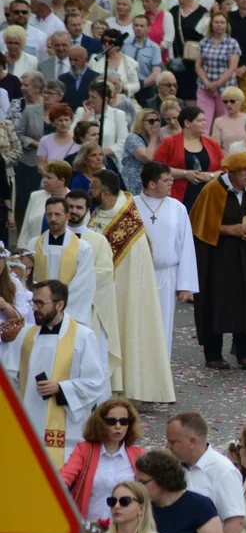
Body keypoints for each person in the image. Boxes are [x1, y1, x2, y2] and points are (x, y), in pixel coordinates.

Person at [88, 170, 176, 404]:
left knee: (128, 329)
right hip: (100, 292)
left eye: (93, 188)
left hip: (122, 294)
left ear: (105, 193)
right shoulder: (97, 213)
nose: (90, 192)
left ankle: (128, 388)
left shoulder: (127, 222)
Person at [3, 279, 107, 466]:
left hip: (65, 426)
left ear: (60, 305)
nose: (35, 308)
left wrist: (60, 388)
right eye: (33, 302)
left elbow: (96, 381)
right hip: (29, 420)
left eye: (41, 303)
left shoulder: (83, 336)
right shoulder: (25, 335)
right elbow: (9, 377)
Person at [189, 152, 246, 370]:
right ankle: (213, 354)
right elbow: (199, 225)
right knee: (216, 301)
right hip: (219, 258)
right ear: (231, 171)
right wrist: (230, 229)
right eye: (244, 171)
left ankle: (245, 352)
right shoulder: (212, 190)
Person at [134, 163, 198, 358]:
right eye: (166, 180)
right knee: (138, 323)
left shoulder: (177, 208)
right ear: (152, 184)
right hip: (136, 275)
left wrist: (185, 285)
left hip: (166, 275)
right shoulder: (132, 206)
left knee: (162, 323)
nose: (171, 183)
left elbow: (186, 245)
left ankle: (161, 367)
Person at [165, 411, 246, 533]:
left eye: (173, 442)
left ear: (192, 441)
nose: (168, 447)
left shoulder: (223, 471)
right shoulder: (173, 466)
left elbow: (235, 522)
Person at [134, 448, 227, 533]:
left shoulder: (199, 505)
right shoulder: (142, 508)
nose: (137, 488)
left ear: (162, 480)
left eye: (142, 482)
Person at [60, 399, 146, 520]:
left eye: (124, 421)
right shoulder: (84, 450)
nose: (118, 426)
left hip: (126, 531)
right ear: (100, 423)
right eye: (111, 422)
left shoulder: (139, 455)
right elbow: (64, 478)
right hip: (89, 530)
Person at [31, 196, 97, 329]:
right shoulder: (34, 244)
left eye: (57, 214)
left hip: (69, 314)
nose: (53, 219)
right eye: (49, 214)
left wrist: (56, 308)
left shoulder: (83, 248)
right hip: (39, 313)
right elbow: (29, 279)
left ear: (67, 216)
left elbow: (82, 286)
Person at [153, 107, 225, 210]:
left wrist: (211, 175)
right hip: (179, 198)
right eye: (200, 120)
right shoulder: (170, 143)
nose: (204, 123)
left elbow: (225, 171)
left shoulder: (212, 144)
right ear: (187, 123)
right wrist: (185, 174)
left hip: (209, 197)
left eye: (204, 120)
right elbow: (157, 168)